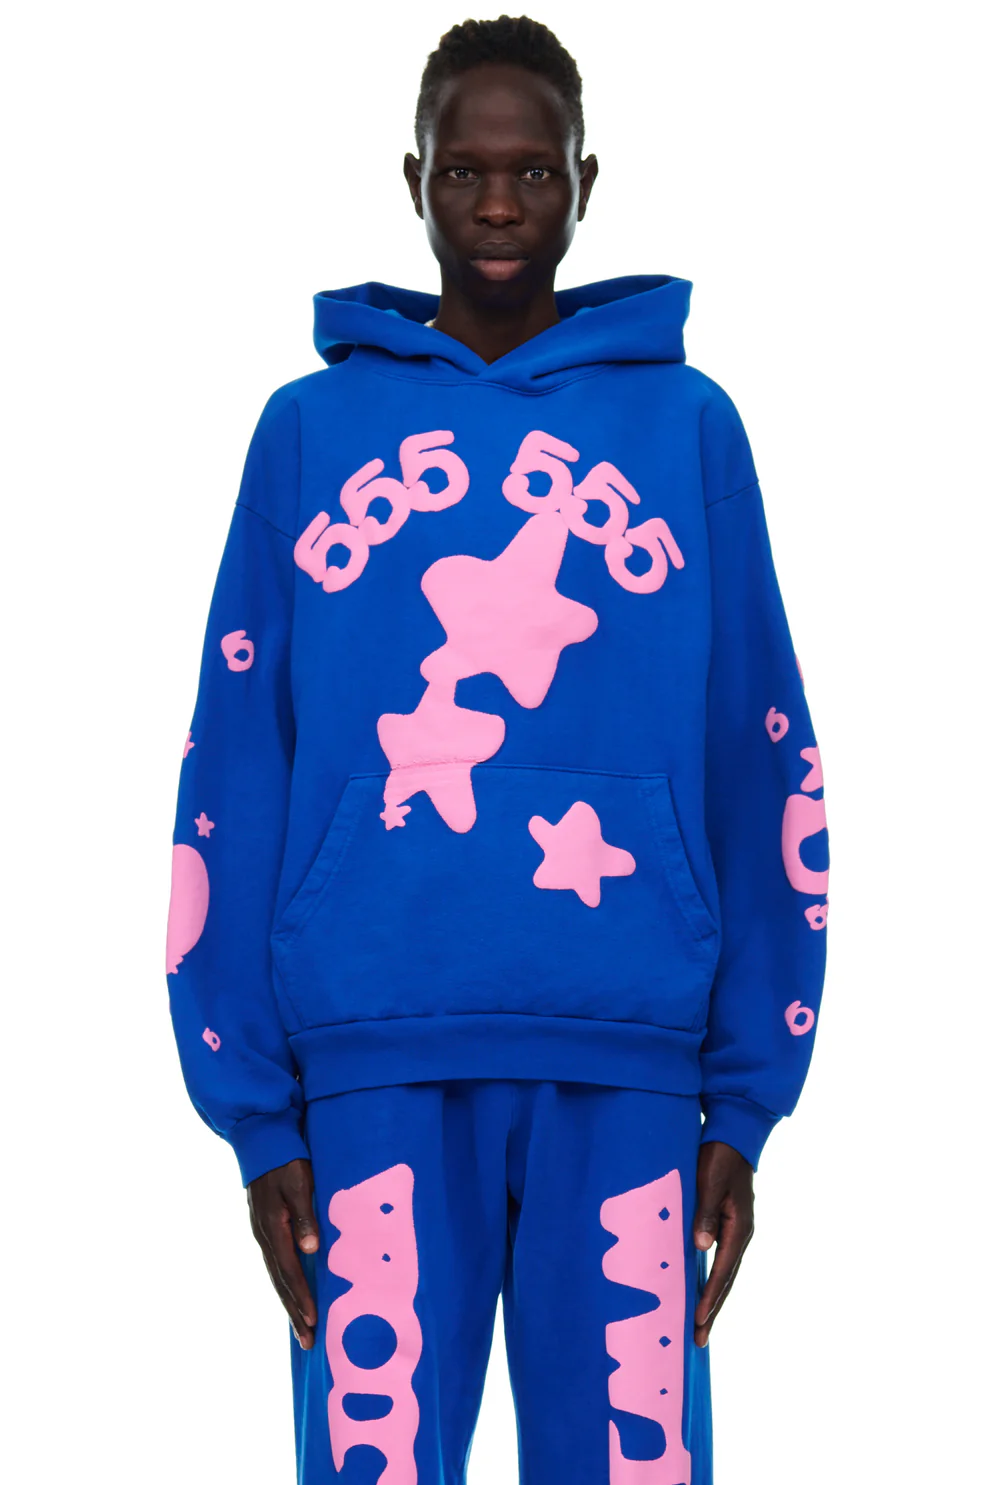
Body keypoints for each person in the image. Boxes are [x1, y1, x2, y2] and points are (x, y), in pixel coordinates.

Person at [165, 14, 829, 1483]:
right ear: (413, 179)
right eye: (465, 170)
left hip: (630, 1062)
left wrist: (747, 1094)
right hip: (370, 1060)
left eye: (533, 171)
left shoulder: (689, 428)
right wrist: (256, 1115)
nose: (500, 205)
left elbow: (758, 749)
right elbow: (236, 763)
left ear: (587, 180)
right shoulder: (307, 431)